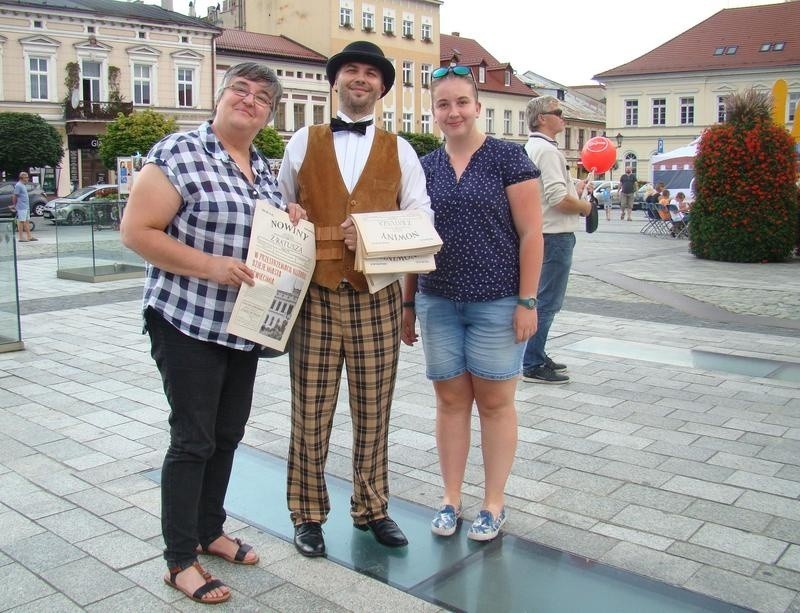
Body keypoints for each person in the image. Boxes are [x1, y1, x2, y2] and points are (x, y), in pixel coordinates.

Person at [121, 62, 305, 605]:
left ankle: (210, 528)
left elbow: (261, 230)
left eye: (262, 97)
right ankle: (179, 558)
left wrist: (288, 215)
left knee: (227, 435)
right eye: (240, 90)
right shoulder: (179, 153)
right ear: (220, 97)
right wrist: (210, 266)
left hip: (240, 324)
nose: (249, 100)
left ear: (270, 113)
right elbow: (136, 231)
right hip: (186, 318)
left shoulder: (263, 168)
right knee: (193, 439)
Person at [277, 41, 433, 557]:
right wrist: (292, 218)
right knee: (311, 411)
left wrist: (368, 233)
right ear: (336, 81)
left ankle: (372, 507)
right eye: (351, 71)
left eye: (371, 73)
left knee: (374, 409)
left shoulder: (402, 150)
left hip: (377, 297)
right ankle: (307, 513)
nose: (360, 79)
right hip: (315, 296)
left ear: (383, 88)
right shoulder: (302, 141)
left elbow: (422, 223)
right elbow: (282, 210)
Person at [402, 64, 543, 541]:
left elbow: (531, 235)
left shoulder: (509, 159)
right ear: (434, 112)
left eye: (462, 102)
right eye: (444, 104)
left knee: (497, 404)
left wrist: (528, 300)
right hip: (438, 301)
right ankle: (450, 498)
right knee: (450, 401)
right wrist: (407, 304)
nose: (453, 111)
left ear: (477, 107)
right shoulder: (423, 169)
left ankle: (493, 503)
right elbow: (412, 242)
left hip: (498, 303)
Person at [521, 96, 593, 385]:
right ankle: (533, 360)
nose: (563, 117)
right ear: (541, 118)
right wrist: (585, 206)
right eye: (558, 113)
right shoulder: (548, 152)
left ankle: (534, 353)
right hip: (554, 234)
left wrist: (572, 187)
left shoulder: (534, 148)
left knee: (538, 297)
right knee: (548, 300)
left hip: (541, 233)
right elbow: (557, 200)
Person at [11, 172, 37, 242]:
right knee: (21, 222)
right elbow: (14, 196)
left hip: (26, 206)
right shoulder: (18, 185)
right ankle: (21, 237)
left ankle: (29, 236)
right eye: (26, 177)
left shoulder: (23, 185)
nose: (28, 178)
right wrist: (14, 205)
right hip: (21, 207)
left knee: (27, 221)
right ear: (22, 178)